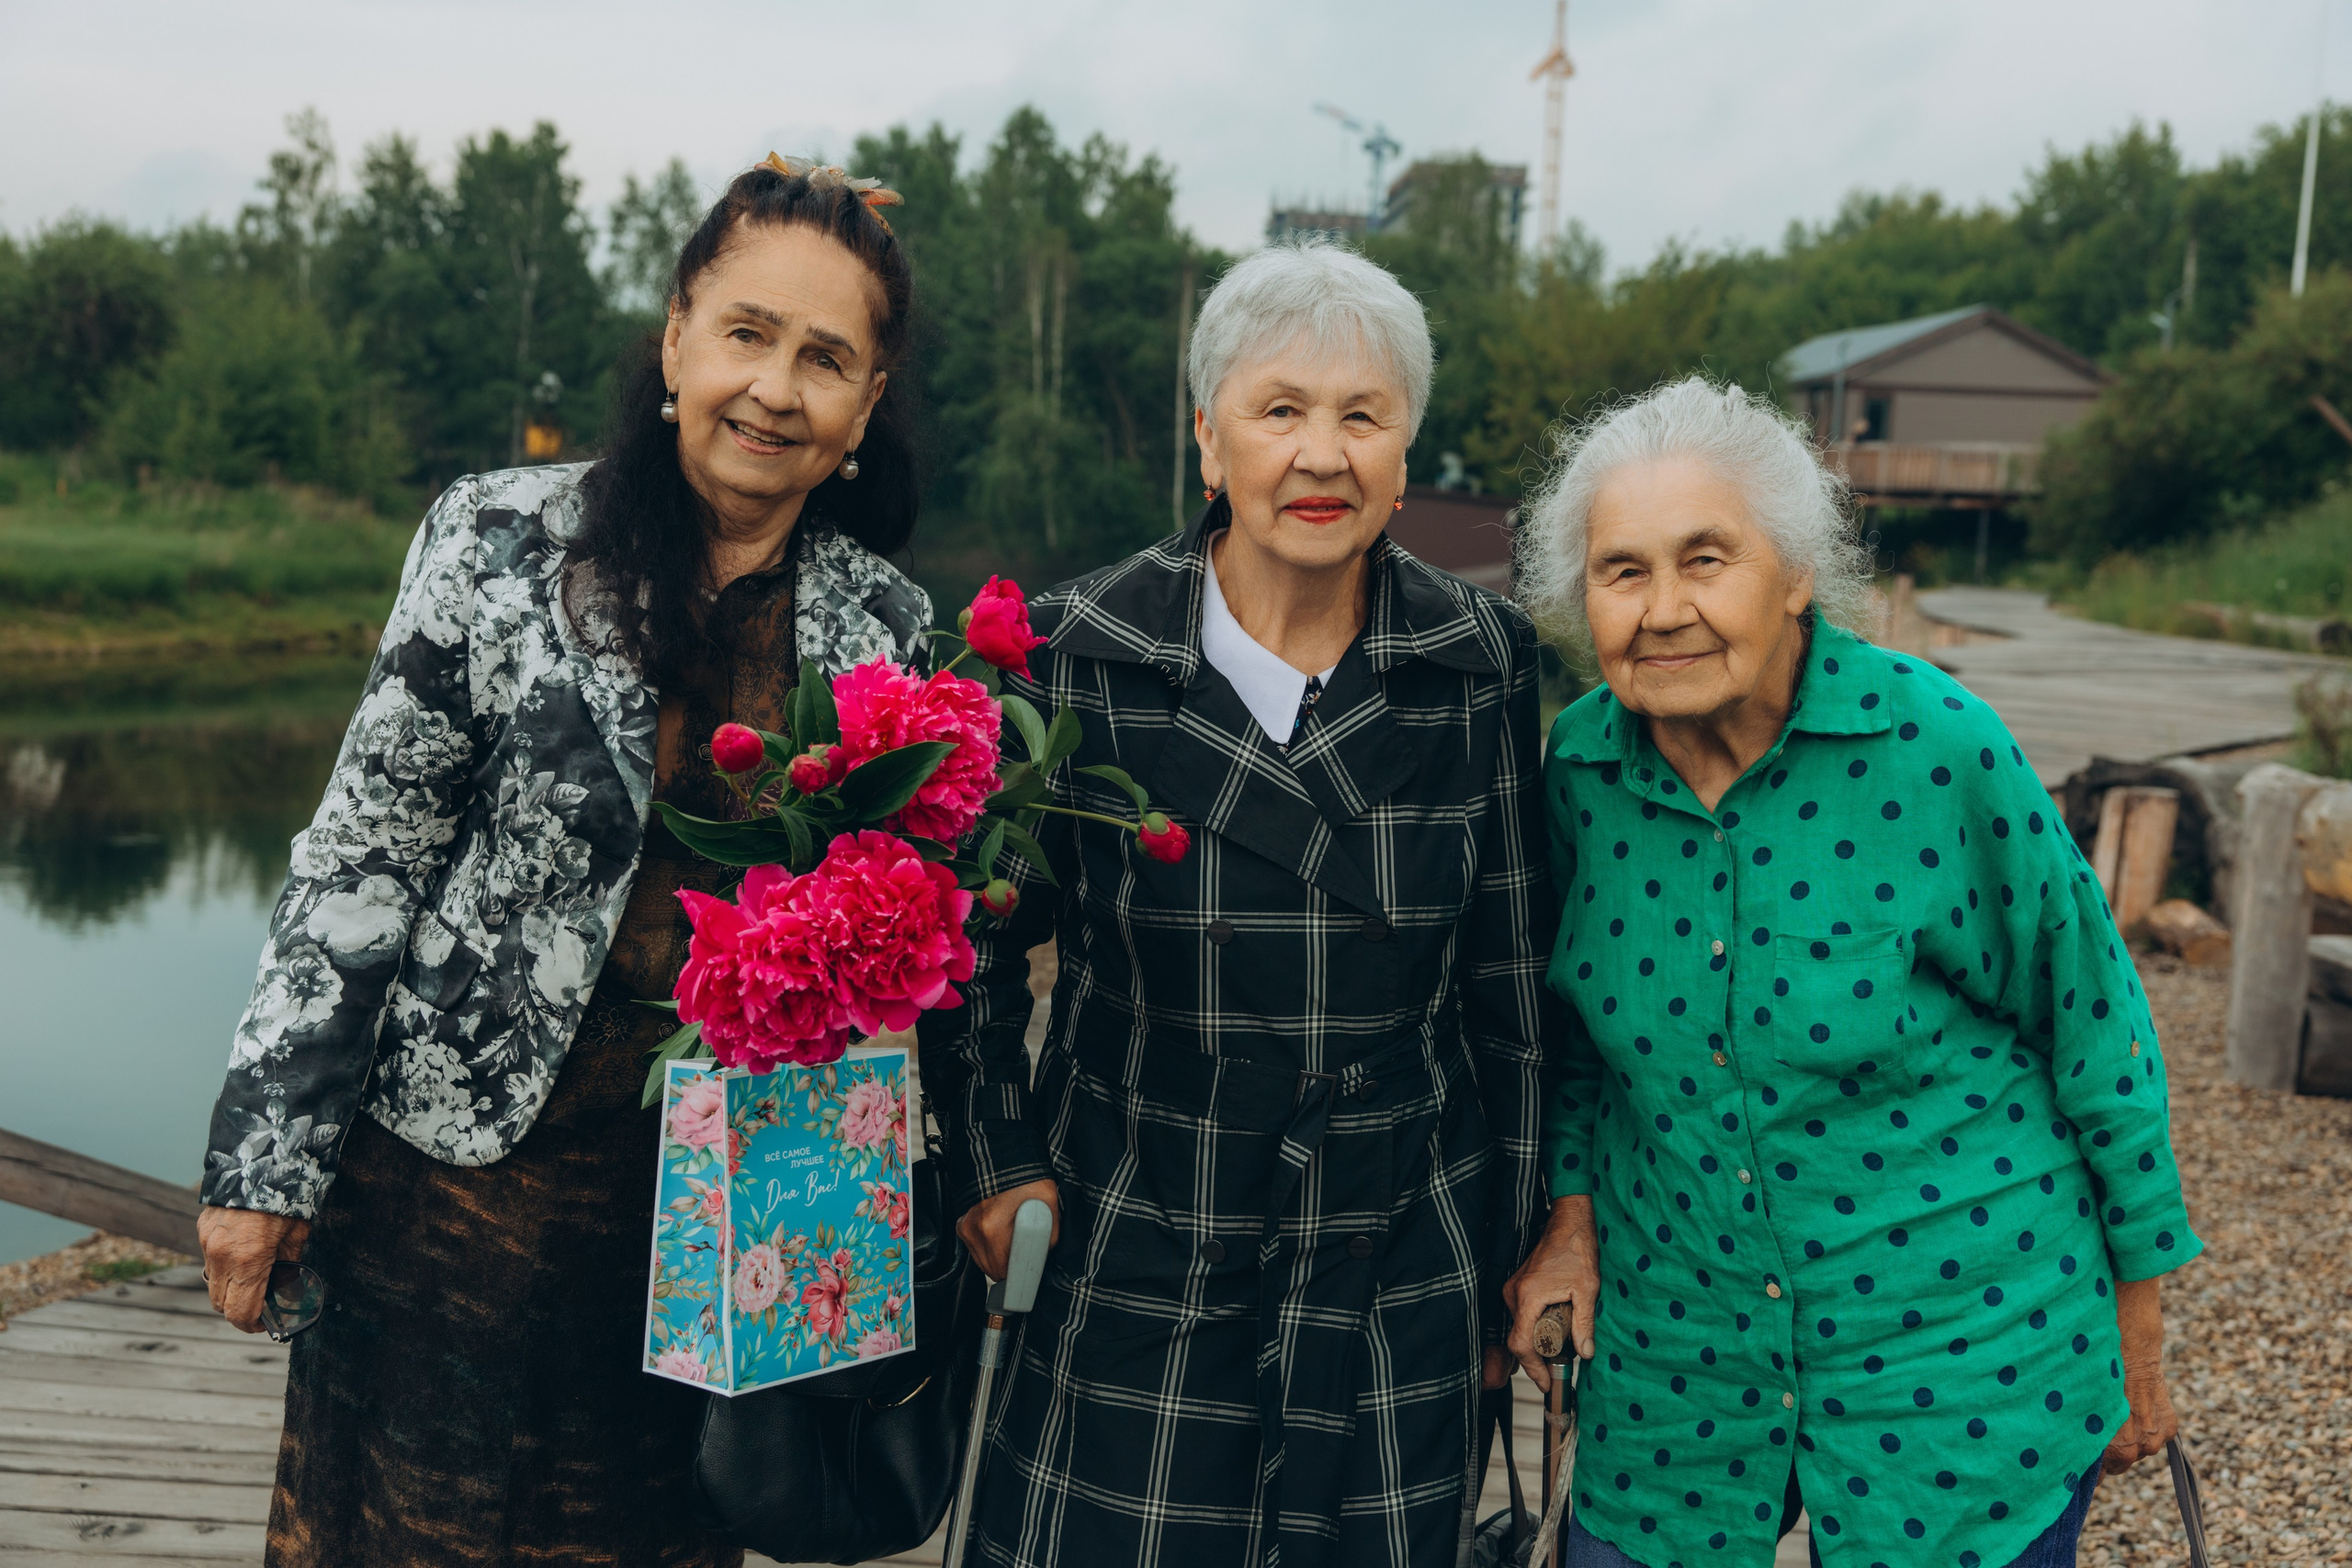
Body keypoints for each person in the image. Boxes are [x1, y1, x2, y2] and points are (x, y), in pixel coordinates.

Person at [195, 155, 933, 1567]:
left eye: (825, 358)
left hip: (710, 1238)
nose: (776, 387)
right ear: (674, 340)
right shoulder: (497, 541)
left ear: (865, 407)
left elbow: (899, 955)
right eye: (746, 333)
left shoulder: (886, 632)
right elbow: (364, 858)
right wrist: (264, 1161)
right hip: (445, 1203)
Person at [919, 239, 1559, 1568]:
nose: (1320, 456)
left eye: (1361, 417)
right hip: (1137, 1226)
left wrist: (1527, 1234)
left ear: (1403, 456)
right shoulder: (1072, 652)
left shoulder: (1480, 660)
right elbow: (964, 950)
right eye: (1281, 411)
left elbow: (1511, 981)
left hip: (1399, 1242)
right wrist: (997, 1158)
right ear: (1209, 439)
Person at [1501, 377, 2199, 1568]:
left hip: (1959, 1345)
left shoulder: (1935, 746)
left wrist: (2140, 1337)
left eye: (1705, 559)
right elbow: (1573, 1043)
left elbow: (2094, 1026)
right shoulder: (1578, 776)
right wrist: (1568, 1224)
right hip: (1683, 1359)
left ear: (1797, 576)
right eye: (1623, 572)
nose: (1664, 609)